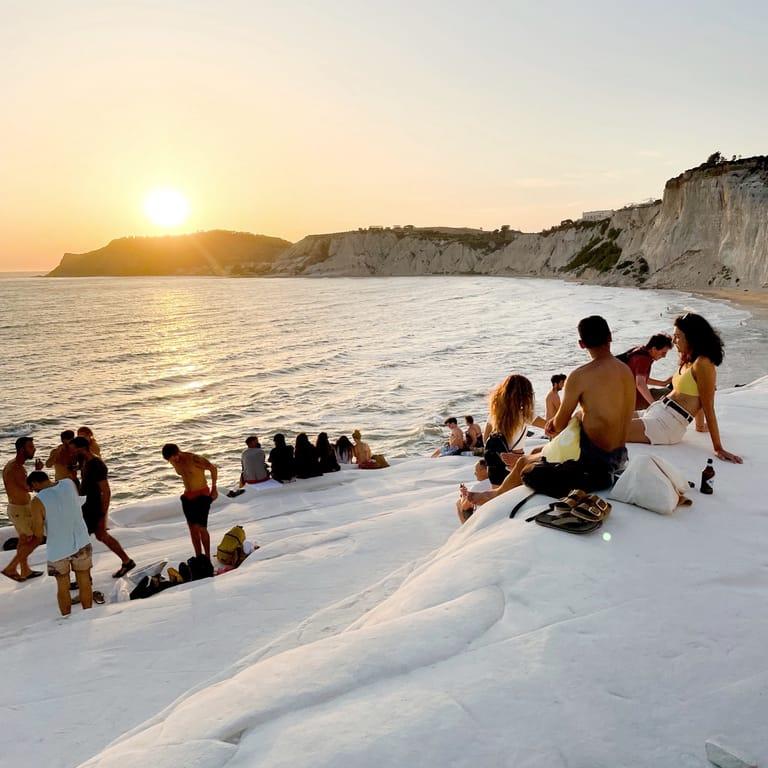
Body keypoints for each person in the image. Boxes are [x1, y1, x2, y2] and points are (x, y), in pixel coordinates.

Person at [462, 316, 635, 507]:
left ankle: (495, 494)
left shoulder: (579, 376)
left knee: (526, 470)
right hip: (620, 458)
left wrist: (554, 425)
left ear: (581, 344)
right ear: (610, 337)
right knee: (536, 451)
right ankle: (498, 490)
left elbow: (558, 425)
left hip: (593, 471)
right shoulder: (625, 370)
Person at [628, 313, 743, 463]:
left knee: (607, 430)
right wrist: (700, 426)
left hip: (666, 425)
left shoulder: (703, 364)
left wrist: (718, 447)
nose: (674, 341)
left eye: (678, 336)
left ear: (692, 337)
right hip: (656, 412)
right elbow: (697, 395)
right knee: (601, 420)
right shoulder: (687, 360)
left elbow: (707, 405)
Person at [26, 471, 93, 616]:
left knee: (63, 586)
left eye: (33, 488)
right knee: (84, 580)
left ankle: (67, 618)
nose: (34, 491)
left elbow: (38, 533)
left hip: (58, 549)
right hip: (81, 541)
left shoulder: (37, 501)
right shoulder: (69, 483)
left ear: (35, 483)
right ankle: (88, 614)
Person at [73, 436, 135, 577]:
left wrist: (102, 514)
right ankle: (127, 561)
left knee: (81, 538)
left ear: (81, 449)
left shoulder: (96, 465)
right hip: (86, 505)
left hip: (93, 507)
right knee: (101, 536)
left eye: (73, 449)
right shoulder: (85, 461)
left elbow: (106, 491)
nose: (72, 452)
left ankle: (83, 575)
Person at [482, 375, 546, 487]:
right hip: (514, 463)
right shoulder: (525, 416)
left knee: (497, 497)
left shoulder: (495, 414)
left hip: (495, 465)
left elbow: (485, 439)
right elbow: (551, 427)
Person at [162, 443, 218, 558]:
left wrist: (214, 488)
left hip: (202, 494)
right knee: (192, 529)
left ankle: (207, 558)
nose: (173, 461)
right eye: (170, 460)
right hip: (188, 496)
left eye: (174, 458)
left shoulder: (194, 458)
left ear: (178, 453)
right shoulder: (173, 461)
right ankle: (199, 557)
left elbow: (213, 468)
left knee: (202, 528)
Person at [2, 437, 43, 582]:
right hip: (19, 510)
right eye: (31, 447)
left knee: (24, 539)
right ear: (22, 450)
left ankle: (25, 570)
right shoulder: (16, 468)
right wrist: (39, 473)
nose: (34, 449)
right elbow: (29, 487)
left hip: (20, 509)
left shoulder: (15, 465)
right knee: (35, 539)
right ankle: (11, 568)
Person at [619, 334, 673, 410]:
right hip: (635, 402)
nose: (664, 356)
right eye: (663, 353)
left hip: (624, 399)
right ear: (654, 349)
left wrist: (663, 383)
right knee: (672, 394)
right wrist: (653, 405)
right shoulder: (644, 359)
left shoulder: (639, 351)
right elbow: (640, 383)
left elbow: (639, 378)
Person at [456, 459, 490, 524]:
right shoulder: (499, 482)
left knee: (459, 503)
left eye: (476, 471)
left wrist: (463, 495)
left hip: (482, 520)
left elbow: (465, 506)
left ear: (485, 471)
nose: (474, 473)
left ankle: (466, 529)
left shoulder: (477, 487)